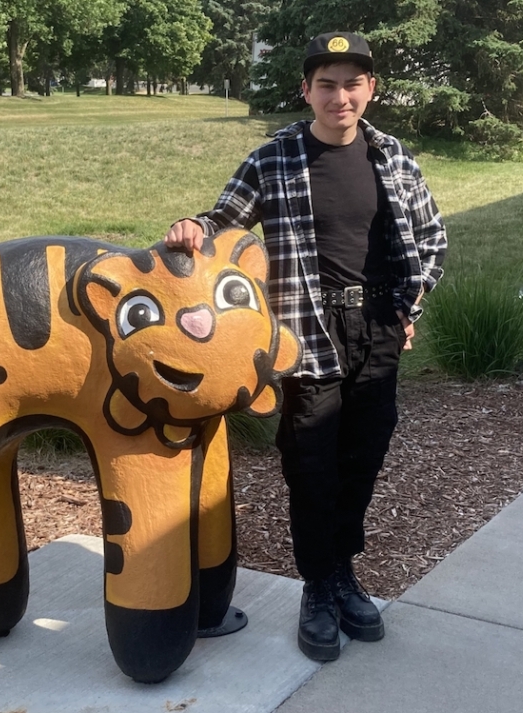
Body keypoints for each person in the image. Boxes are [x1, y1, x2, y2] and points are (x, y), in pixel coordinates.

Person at [164, 30, 447, 662]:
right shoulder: (276, 158)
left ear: (370, 89)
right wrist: (194, 227)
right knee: (313, 463)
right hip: (307, 335)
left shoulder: (394, 158)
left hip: (376, 331)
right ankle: (318, 587)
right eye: (327, 84)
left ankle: (344, 574)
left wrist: (409, 305)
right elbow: (224, 221)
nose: (340, 96)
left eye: (352, 83)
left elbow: (432, 239)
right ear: (307, 90)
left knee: (363, 457)